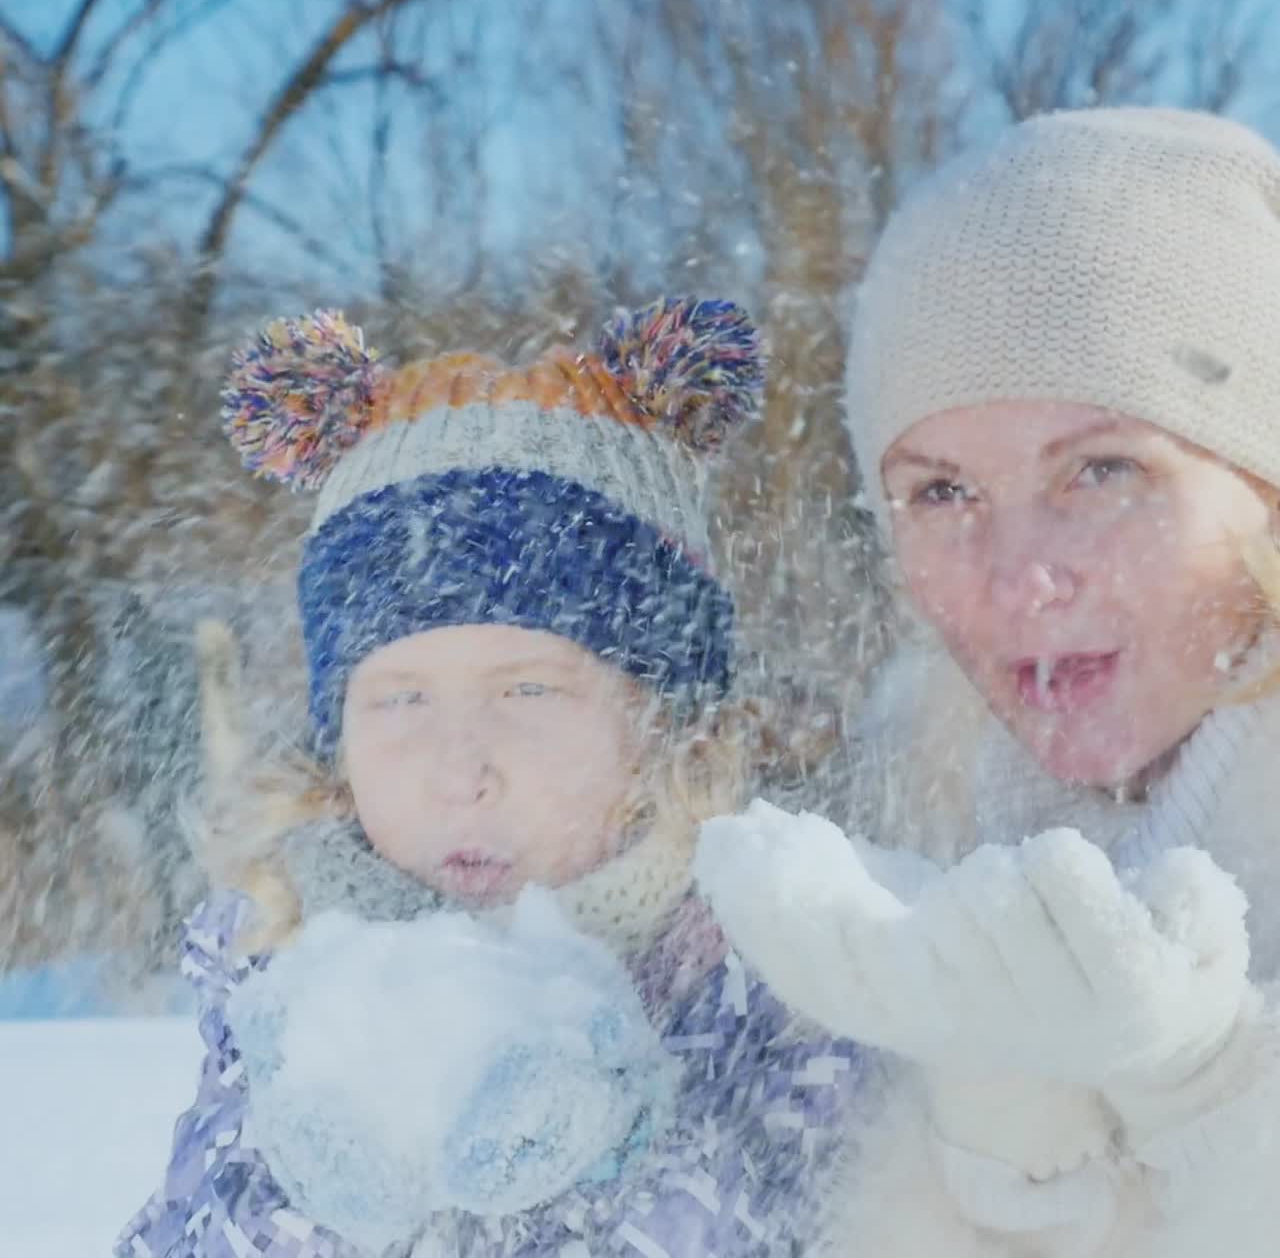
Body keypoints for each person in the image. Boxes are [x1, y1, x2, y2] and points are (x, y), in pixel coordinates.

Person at [117, 298, 861, 1258]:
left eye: (528, 692)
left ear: (667, 727)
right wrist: (318, 1177)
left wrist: (594, 1149)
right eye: (400, 701)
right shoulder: (280, 957)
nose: (458, 773)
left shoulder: (779, 972)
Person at [696, 107, 1280, 1256]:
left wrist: (1204, 1090)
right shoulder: (893, 810)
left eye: (1100, 468)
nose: (1020, 581)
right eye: (940, 492)